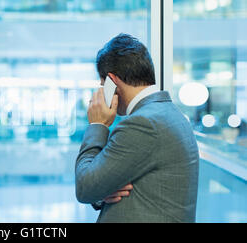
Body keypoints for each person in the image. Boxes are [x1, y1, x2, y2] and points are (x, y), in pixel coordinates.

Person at [75, 34, 199, 223]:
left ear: (111, 82)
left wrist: (97, 125)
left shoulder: (142, 124)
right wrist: (102, 190)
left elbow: (85, 187)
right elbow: (102, 182)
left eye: (103, 86)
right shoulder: (169, 114)